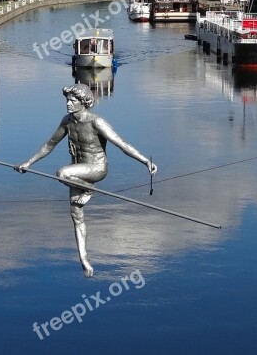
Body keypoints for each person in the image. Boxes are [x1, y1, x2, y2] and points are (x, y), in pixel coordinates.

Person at [15, 84, 157, 277]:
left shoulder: (96, 122)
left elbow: (121, 144)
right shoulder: (67, 122)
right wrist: (28, 163)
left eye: (72, 101)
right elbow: (49, 145)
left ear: (83, 102)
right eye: (67, 100)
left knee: (62, 173)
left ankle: (89, 189)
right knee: (76, 214)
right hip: (78, 173)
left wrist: (145, 162)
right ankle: (84, 260)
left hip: (96, 169)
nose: (68, 103)